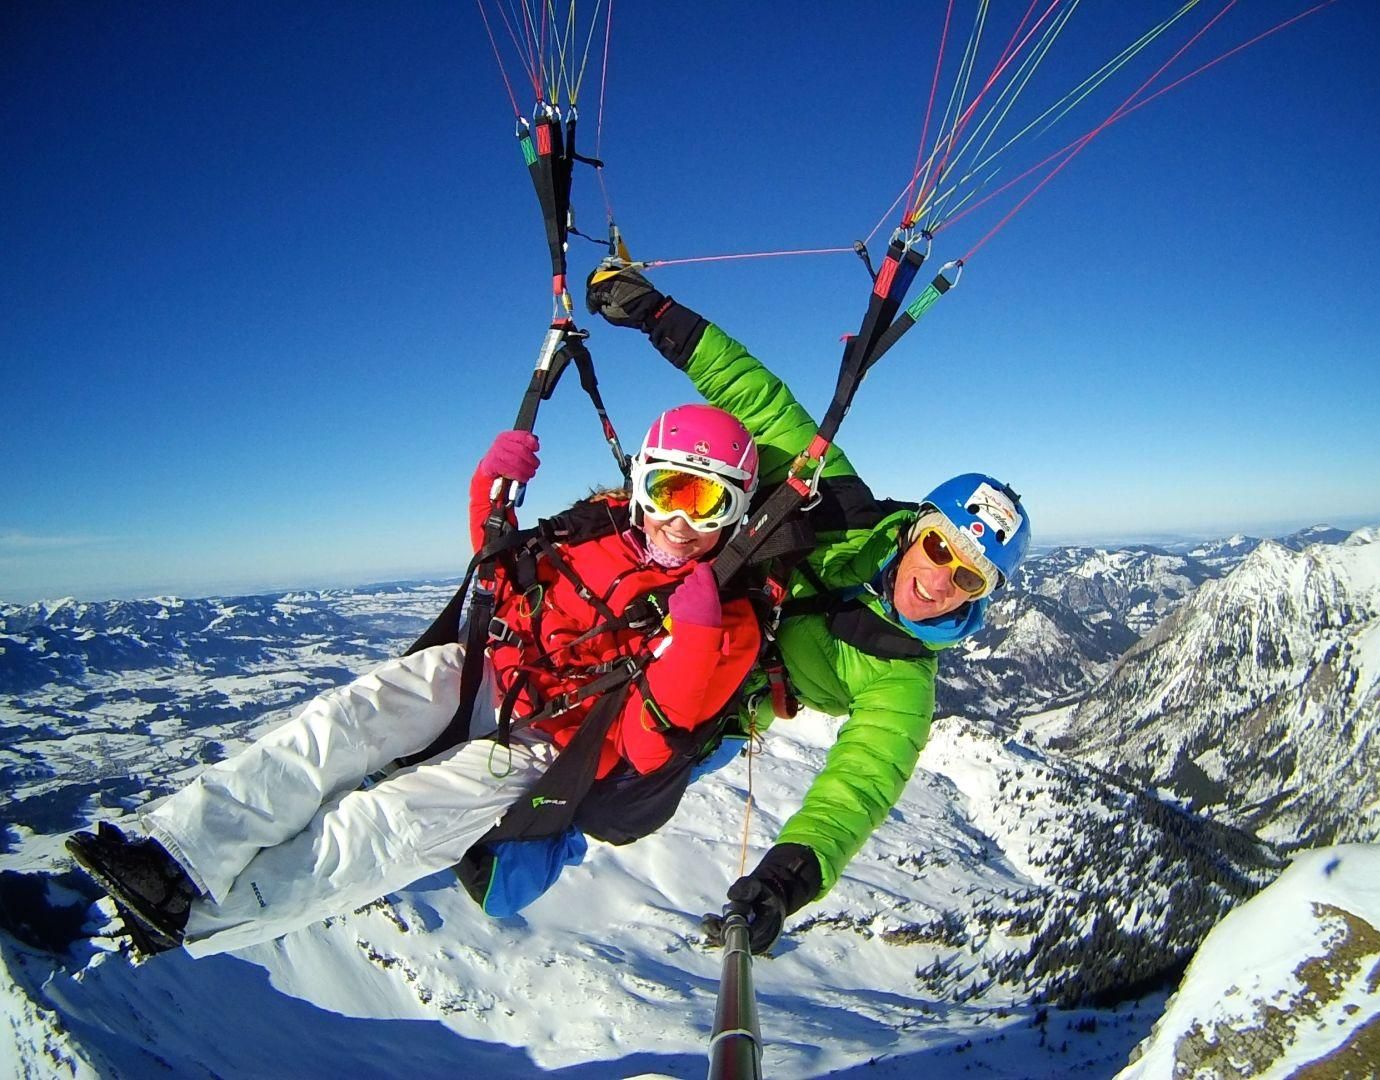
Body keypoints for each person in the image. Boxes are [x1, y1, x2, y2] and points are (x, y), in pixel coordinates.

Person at [66, 403, 764, 958]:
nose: (679, 521)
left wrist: (695, 640)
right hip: (491, 672)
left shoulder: (728, 620)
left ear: (737, 511)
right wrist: (487, 492)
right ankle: (176, 855)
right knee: (346, 719)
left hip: (558, 743)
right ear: (640, 481)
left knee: (393, 822)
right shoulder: (595, 528)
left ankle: (198, 915)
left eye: (706, 504)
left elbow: (647, 751)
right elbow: (500, 577)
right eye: (669, 490)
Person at [586, 266, 1033, 954]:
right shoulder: (842, 505)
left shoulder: (903, 681)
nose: (942, 582)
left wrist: (786, 879)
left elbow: (858, 789)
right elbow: (757, 399)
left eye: (970, 580)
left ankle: (505, 855)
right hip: (689, 590)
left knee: (615, 796)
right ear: (919, 527)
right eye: (942, 550)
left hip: (728, 696)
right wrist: (657, 313)